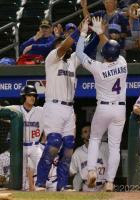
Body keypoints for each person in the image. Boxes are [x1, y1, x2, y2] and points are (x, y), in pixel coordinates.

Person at [76, 17, 127, 192]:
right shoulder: (123, 62)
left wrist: (84, 33)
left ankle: (91, 171)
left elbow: (80, 54)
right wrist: (100, 33)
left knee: (95, 139)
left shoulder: (98, 67)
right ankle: (110, 181)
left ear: (104, 54)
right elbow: (112, 47)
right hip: (120, 109)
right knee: (114, 146)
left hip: (104, 107)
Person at [35, 27, 81, 191]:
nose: (67, 47)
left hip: (69, 108)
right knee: (54, 143)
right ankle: (40, 182)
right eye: (64, 45)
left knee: (68, 145)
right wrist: (76, 33)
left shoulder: (72, 61)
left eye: (69, 46)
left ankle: (62, 185)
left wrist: (94, 34)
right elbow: (62, 47)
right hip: (53, 106)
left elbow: (86, 50)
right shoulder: (52, 58)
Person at [6, 85, 44, 191]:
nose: (32, 98)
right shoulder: (15, 109)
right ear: (23, 97)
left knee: (41, 170)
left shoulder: (41, 111)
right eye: (29, 95)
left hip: (35, 147)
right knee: (20, 176)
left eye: (34, 96)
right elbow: (3, 111)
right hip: (20, 147)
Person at [70, 123, 108, 192]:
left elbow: (114, 166)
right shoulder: (78, 152)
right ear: (82, 136)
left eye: (90, 131)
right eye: (85, 132)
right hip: (87, 187)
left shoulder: (105, 147)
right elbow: (72, 172)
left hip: (103, 186)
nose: (88, 134)